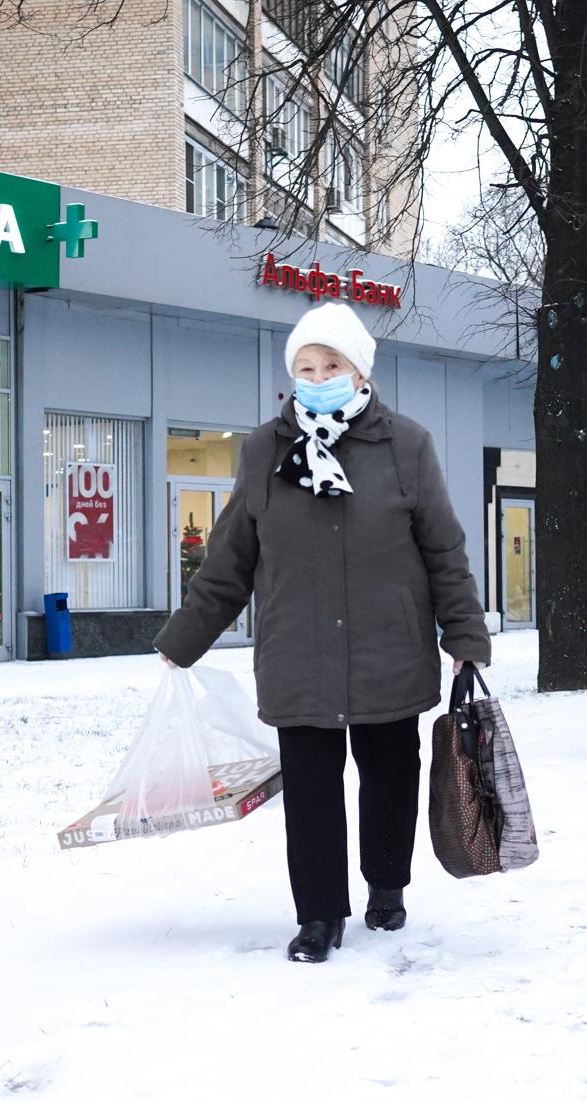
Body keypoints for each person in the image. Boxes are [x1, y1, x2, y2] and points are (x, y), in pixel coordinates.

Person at [154, 301, 490, 964]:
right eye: (305, 367)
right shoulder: (264, 450)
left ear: (360, 371)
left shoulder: (406, 446)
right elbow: (229, 561)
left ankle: (386, 884)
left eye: (330, 364)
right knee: (310, 789)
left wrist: (466, 636)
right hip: (297, 652)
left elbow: (444, 550)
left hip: (387, 651)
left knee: (390, 775)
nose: (316, 376)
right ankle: (318, 916)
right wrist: (182, 639)